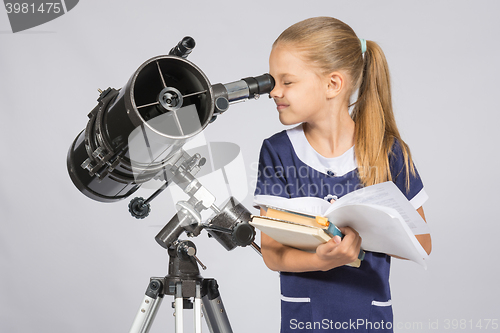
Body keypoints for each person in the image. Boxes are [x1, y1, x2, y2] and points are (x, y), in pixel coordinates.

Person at [254, 17, 432, 333]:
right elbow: (272, 251)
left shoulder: (389, 151)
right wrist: (321, 260)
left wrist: (369, 231)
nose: (274, 92)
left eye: (287, 82)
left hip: (369, 320)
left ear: (333, 84)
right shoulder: (277, 151)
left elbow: (423, 242)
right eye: (273, 81)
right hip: (304, 322)